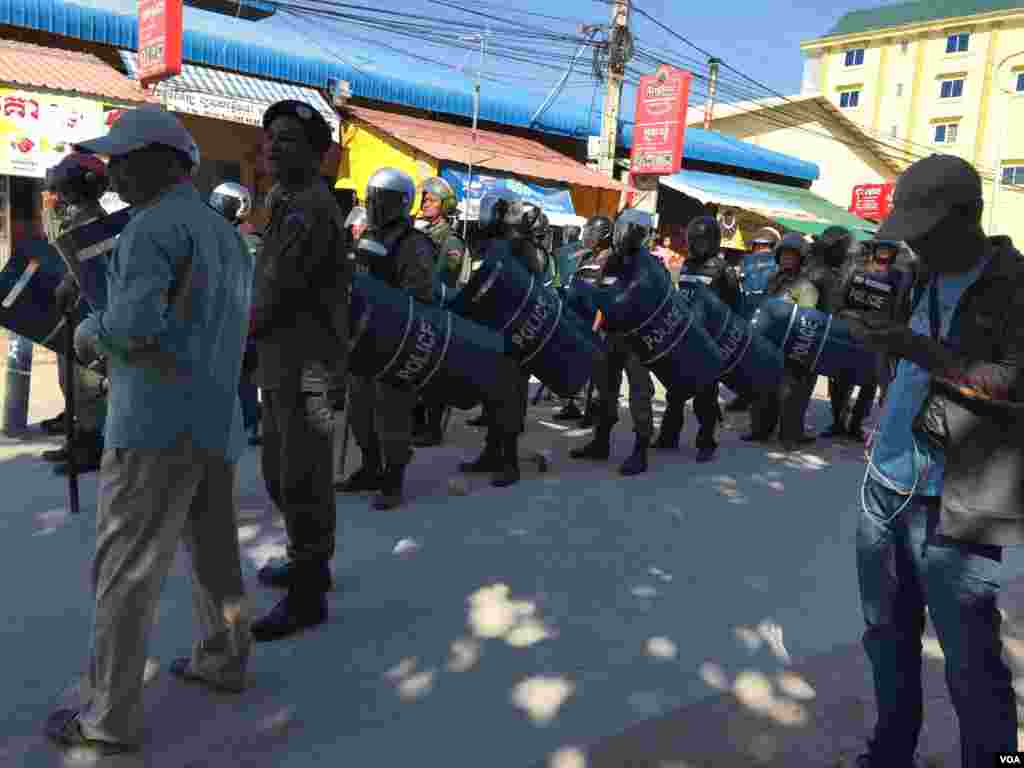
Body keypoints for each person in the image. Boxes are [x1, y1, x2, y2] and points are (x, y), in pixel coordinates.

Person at [45, 105, 253, 754]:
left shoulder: (151, 227)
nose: (111, 171)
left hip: (153, 427)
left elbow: (134, 325)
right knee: (215, 557)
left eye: (122, 158)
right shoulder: (223, 233)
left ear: (164, 161)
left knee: (126, 571)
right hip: (215, 421)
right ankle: (224, 658)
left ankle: (108, 718)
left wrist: (87, 334)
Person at [849, 154, 1023, 768]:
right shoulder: (919, 276)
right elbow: (906, 364)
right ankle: (890, 753)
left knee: (972, 665)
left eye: (927, 228)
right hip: (884, 489)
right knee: (886, 641)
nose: (915, 241)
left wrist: (920, 351)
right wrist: (884, 402)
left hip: (955, 503)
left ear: (971, 216)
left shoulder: (1015, 286)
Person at [250, 100, 351, 642]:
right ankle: (306, 558)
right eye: (271, 139)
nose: (273, 147)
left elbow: (279, 288)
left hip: (309, 366)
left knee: (303, 476)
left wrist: (239, 335)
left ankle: (308, 591)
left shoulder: (311, 207)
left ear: (316, 153)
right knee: (278, 470)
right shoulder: (282, 198)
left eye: (287, 139)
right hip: (281, 360)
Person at [337, 167, 434, 508]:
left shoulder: (413, 244)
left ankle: (392, 478)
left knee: (390, 414)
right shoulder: (368, 234)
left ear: (403, 202)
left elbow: (418, 294)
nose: (377, 204)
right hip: (362, 337)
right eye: (374, 197)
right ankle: (370, 467)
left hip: (394, 341)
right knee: (359, 410)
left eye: (385, 199)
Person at [455, 191, 539, 488]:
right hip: (486, 331)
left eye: (491, 210)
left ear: (504, 213)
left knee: (510, 398)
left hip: (512, 334)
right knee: (490, 397)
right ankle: (491, 453)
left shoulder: (522, 247)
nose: (485, 215)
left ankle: (510, 462)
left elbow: (531, 291)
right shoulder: (483, 244)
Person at [40, 152, 111, 475]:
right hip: (72, 310)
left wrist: (70, 281)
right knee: (69, 381)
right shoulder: (73, 216)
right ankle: (77, 439)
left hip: (88, 311)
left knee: (86, 384)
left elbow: (88, 268)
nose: (59, 191)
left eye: (64, 185)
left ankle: (90, 445)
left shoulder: (94, 220)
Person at [570, 209, 655, 476]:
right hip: (611, 336)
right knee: (606, 392)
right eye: (622, 228)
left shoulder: (649, 264)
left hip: (637, 340)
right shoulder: (611, 262)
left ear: (641, 235)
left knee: (640, 395)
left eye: (630, 230)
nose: (623, 234)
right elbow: (603, 298)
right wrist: (595, 332)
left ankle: (640, 451)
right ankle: (601, 442)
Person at [655, 215, 740, 462]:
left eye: (703, 240)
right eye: (695, 240)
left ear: (713, 241)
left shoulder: (724, 270)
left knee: (705, 397)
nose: (698, 245)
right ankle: (668, 437)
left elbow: (735, 308)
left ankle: (706, 442)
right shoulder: (688, 265)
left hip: (709, 342)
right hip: (686, 337)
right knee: (675, 392)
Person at [823, 238, 911, 441]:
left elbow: (900, 308)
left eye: (888, 249)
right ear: (873, 249)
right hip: (849, 327)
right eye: (881, 248)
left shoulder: (899, 277)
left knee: (870, 381)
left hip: (877, 335)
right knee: (839, 377)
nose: (884, 252)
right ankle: (837, 421)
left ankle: (855, 425)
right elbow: (839, 295)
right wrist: (839, 316)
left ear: (894, 253)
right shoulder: (856, 268)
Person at [743, 232, 819, 451]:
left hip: (790, 345)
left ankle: (790, 435)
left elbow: (805, 319)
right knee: (762, 387)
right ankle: (760, 430)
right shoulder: (773, 280)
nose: (786, 259)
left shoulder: (805, 286)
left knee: (789, 392)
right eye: (783, 255)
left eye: (791, 256)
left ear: (801, 258)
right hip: (768, 342)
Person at [412, 177, 464, 447]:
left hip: (439, 308)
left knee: (433, 372)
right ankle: (416, 422)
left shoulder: (451, 240)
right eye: (424, 198)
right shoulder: (421, 233)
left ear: (445, 206)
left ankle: (432, 428)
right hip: (418, 306)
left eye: (430, 200)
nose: (424, 203)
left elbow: (445, 275)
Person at [209, 182, 262, 445]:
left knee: (243, 374)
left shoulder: (247, 238)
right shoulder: (216, 234)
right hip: (221, 314)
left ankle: (250, 422)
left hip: (242, 316)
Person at [726, 226, 781, 412]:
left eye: (765, 247)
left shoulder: (779, 266)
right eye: (758, 246)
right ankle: (745, 396)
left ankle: (762, 400)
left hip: (767, 319)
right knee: (745, 360)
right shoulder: (745, 263)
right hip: (746, 316)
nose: (761, 250)